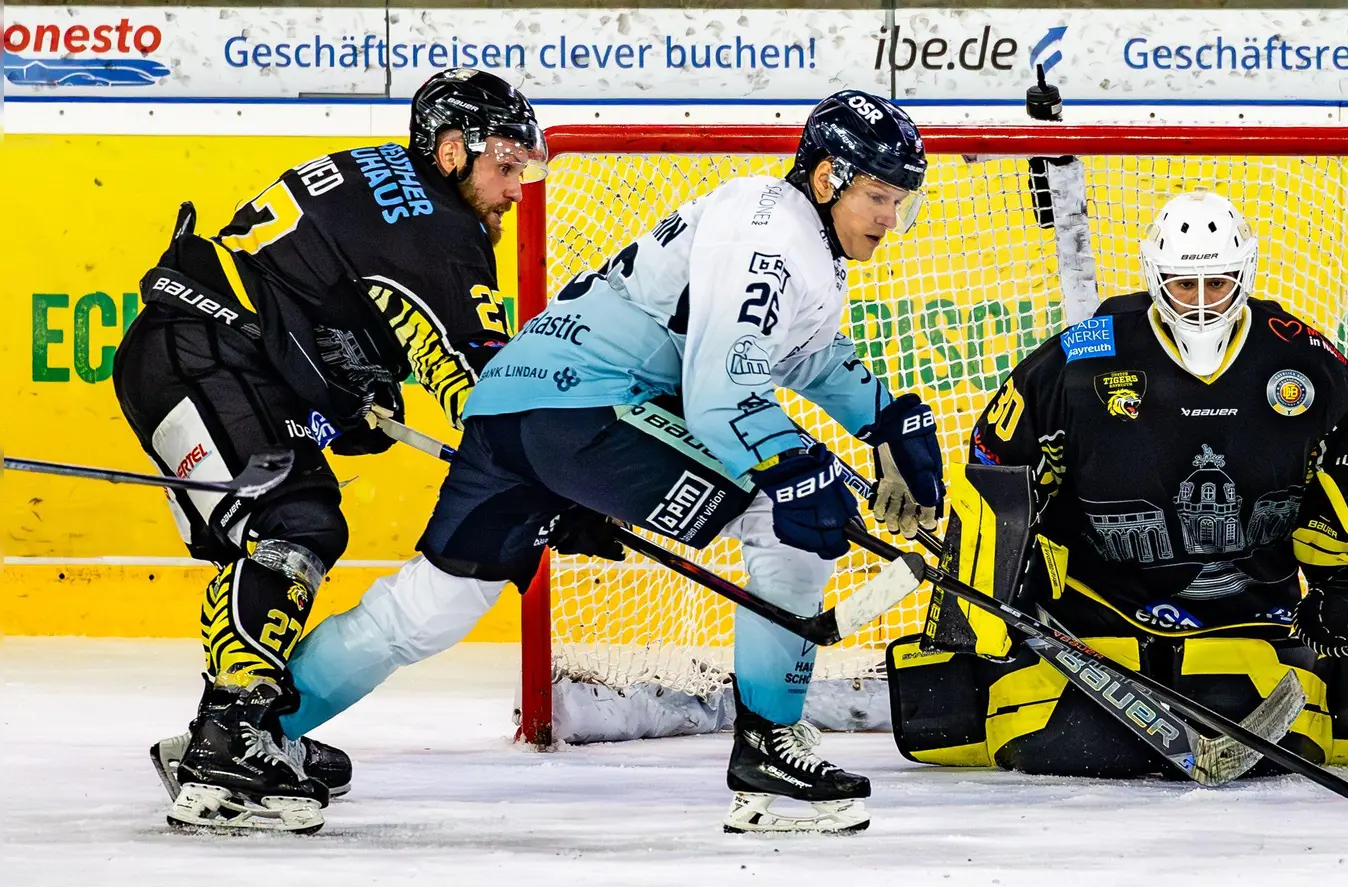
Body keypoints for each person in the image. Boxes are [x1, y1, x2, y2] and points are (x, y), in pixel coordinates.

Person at [276, 89, 945, 834]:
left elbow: (799, 355)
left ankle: (249, 734)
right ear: (827, 180)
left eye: (902, 203)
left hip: (513, 407)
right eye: (880, 197)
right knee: (784, 519)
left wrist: (888, 417)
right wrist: (799, 469)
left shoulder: (783, 233)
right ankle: (769, 757)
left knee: (432, 606)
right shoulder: (775, 235)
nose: (890, 220)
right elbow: (721, 392)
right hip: (583, 412)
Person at [115, 67, 547, 833]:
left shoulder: (378, 169)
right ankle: (229, 746)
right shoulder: (443, 233)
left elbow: (317, 289)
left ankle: (237, 733)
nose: (518, 190)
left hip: (203, 352)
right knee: (293, 523)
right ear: (452, 151)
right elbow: (483, 389)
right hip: (208, 356)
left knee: (290, 526)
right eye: (505, 166)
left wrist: (344, 388)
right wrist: (559, 474)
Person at [888, 190, 1348, 778]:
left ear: (1244, 275)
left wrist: (1341, 572)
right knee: (1059, 747)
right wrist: (1008, 571)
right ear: (1155, 277)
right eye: (1183, 285)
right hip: (1092, 619)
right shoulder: (1081, 356)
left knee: (1292, 746)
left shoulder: (1307, 362)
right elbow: (994, 463)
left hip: (1252, 617)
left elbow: (1342, 488)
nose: (1199, 304)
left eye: (1216, 284)